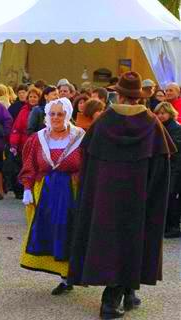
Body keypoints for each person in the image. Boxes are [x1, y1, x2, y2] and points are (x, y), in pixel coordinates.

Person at [68, 72, 175, 319]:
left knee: (110, 243)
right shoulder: (151, 122)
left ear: (118, 93)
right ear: (139, 96)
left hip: (105, 198)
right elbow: (161, 165)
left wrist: (91, 193)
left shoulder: (104, 121)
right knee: (134, 241)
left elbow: (89, 161)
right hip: (139, 197)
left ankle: (128, 292)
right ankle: (111, 300)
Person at [18, 97, 85, 295]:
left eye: (60, 114)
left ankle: (70, 274)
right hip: (45, 191)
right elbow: (29, 164)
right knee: (50, 233)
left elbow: (88, 166)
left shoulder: (80, 137)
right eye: (52, 114)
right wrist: (28, 188)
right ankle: (64, 277)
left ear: (68, 115)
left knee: (69, 231)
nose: (56, 117)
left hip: (71, 191)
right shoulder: (38, 138)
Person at [154, 102, 181, 239]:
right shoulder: (160, 127)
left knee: (172, 198)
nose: (160, 115)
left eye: (163, 113)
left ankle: (173, 227)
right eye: (158, 113)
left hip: (175, 168)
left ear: (170, 113)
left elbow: (174, 151)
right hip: (166, 167)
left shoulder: (175, 128)